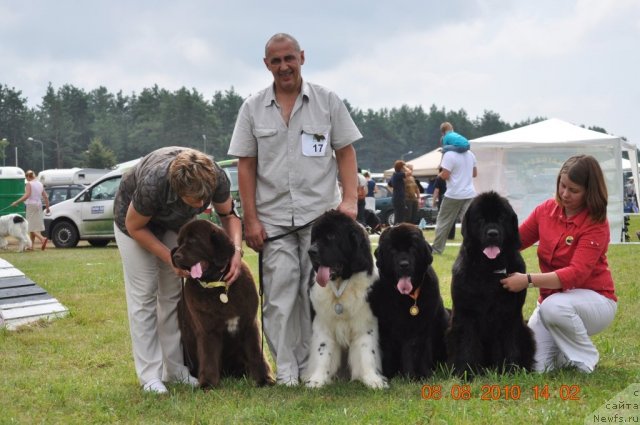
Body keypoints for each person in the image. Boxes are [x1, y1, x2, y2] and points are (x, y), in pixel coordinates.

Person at [227, 33, 362, 386]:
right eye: (276, 61)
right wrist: (251, 219)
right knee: (279, 300)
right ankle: (287, 371)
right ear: (266, 64)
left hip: (322, 221)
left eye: (290, 58)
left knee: (320, 296)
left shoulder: (327, 101)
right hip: (273, 224)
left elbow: (345, 152)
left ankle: (318, 367)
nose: (284, 66)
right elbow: (245, 166)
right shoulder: (252, 108)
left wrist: (349, 201)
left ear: (302, 57)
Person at [113, 146, 243, 394]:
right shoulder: (155, 183)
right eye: (196, 200)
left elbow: (229, 215)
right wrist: (170, 258)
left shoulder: (216, 176)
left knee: (173, 296)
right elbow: (135, 226)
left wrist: (236, 251)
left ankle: (174, 369)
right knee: (145, 294)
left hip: (174, 223)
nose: (203, 204)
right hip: (133, 224)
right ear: (177, 189)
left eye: (205, 198)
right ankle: (150, 376)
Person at [501, 155, 617, 373]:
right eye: (562, 185)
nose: (565, 194)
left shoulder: (596, 223)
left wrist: (526, 281)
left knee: (554, 307)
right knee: (536, 367)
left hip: (596, 302)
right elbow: (515, 242)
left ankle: (586, 360)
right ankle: (565, 354)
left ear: (589, 192)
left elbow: (575, 274)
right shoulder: (545, 210)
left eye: (574, 190)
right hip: (551, 303)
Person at [431, 150, 477, 254]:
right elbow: (474, 174)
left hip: (453, 194)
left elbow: (445, 175)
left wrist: (439, 175)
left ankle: (437, 249)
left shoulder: (449, 155)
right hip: (470, 194)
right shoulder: (470, 154)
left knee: (443, 221)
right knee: (469, 223)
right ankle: (473, 248)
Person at [11, 170, 50, 250]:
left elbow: (27, 195)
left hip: (31, 205)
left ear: (28, 176)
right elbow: (45, 196)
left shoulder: (29, 184)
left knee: (30, 226)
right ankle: (31, 246)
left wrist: (16, 202)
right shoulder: (40, 184)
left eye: (27, 178)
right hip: (39, 205)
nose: (27, 180)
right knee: (34, 225)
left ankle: (42, 239)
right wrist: (47, 207)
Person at [432, 168, 455, 240]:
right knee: (452, 217)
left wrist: (434, 201)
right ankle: (451, 235)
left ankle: (442, 235)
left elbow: (436, 190)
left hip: (443, 199)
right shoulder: (453, 177)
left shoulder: (439, 178)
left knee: (442, 218)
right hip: (453, 197)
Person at [389, 160, 407, 224]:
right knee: (400, 215)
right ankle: (397, 227)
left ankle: (397, 226)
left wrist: (394, 192)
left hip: (396, 196)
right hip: (399, 197)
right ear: (401, 167)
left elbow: (389, 185)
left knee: (398, 214)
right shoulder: (398, 174)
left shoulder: (394, 175)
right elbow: (410, 172)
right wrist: (405, 167)